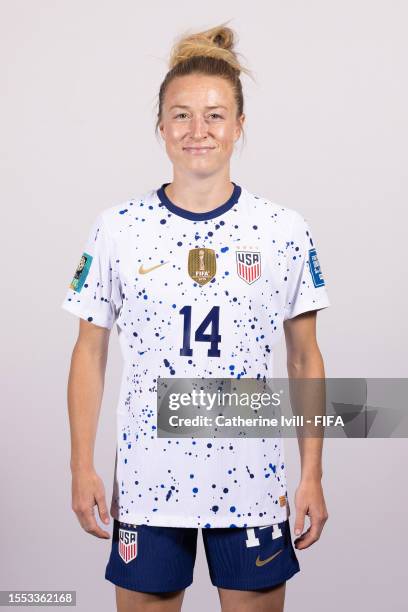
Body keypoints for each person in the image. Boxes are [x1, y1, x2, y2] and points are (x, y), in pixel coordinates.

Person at [61, 22, 330, 612]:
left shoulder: (283, 229)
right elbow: (90, 351)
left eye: (214, 114)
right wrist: (81, 466)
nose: (198, 130)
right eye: (181, 115)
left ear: (239, 126)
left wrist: (311, 472)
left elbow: (305, 357)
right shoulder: (118, 229)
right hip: (148, 483)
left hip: (253, 481)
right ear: (160, 127)